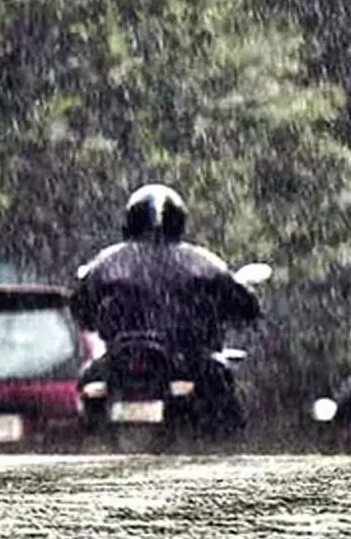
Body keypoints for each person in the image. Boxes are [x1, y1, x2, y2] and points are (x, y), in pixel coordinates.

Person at [72, 183, 261, 431]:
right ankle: (224, 450)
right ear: (178, 220)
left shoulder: (107, 262)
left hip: (121, 361)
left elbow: (80, 306)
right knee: (224, 393)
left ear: (131, 220)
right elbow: (242, 302)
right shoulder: (201, 262)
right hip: (186, 359)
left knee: (87, 383)